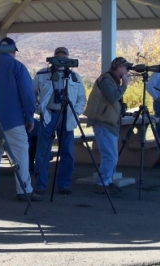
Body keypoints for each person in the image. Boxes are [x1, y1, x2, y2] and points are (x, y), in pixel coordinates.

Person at [0, 37, 42, 201]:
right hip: (13, 119)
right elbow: (27, 95)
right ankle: (24, 189)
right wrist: (29, 117)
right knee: (20, 154)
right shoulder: (17, 66)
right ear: (13, 51)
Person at [32, 47, 87, 196]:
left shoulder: (74, 77)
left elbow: (82, 98)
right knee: (43, 151)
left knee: (67, 151)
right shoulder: (43, 74)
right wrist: (40, 109)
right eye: (58, 57)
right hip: (49, 115)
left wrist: (75, 112)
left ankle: (64, 184)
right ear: (53, 58)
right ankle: (40, 184)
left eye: (64, 57)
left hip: (67, 115)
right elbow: (31, 94)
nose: (61, 60)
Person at [83, 57, 130, 194]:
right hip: (102, 122)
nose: (127, 70)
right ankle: (102, 183)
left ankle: (107, 181)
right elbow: (113, 97)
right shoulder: (106, 80)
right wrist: (124, 85)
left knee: (110, 155)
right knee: (110, 156)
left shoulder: (111, 80)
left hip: (108, 122)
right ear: (118, 66)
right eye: (126, 67)